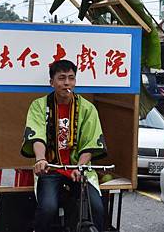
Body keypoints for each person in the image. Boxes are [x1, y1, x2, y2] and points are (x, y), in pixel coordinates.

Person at [21, 60, 107, 232]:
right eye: (61, 78)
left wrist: (81, 167)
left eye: (71, 78)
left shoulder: (87, 108)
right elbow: (36, 134)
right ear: (51, 82)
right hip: (50, 168)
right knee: (47, 209)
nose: (66, 83)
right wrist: (40, 159)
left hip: (79, 168)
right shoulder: (39, 106)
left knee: (97, 207)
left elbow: (91, 142)